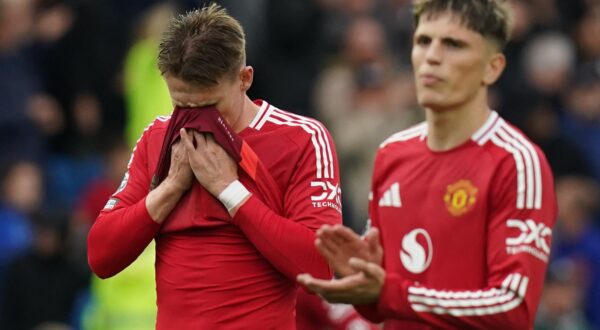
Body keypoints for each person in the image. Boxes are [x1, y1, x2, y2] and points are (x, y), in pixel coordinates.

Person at [297, 0, 558, 329]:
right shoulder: (392, 154)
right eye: (423, 41)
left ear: (492, 67)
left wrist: (390, 292)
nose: (432, 57)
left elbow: (513, 306)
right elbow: (382, 308)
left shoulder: (517, 162)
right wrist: (364, 284)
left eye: (453, 44)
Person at [87, 4, 342, 329]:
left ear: (244, 79)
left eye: (209, 105)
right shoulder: (158, 138)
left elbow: (320, 265)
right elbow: (101, 255)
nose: (195, 118)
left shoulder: (300, 139)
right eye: (182, 104)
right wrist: (169, 189)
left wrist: (230, 191)